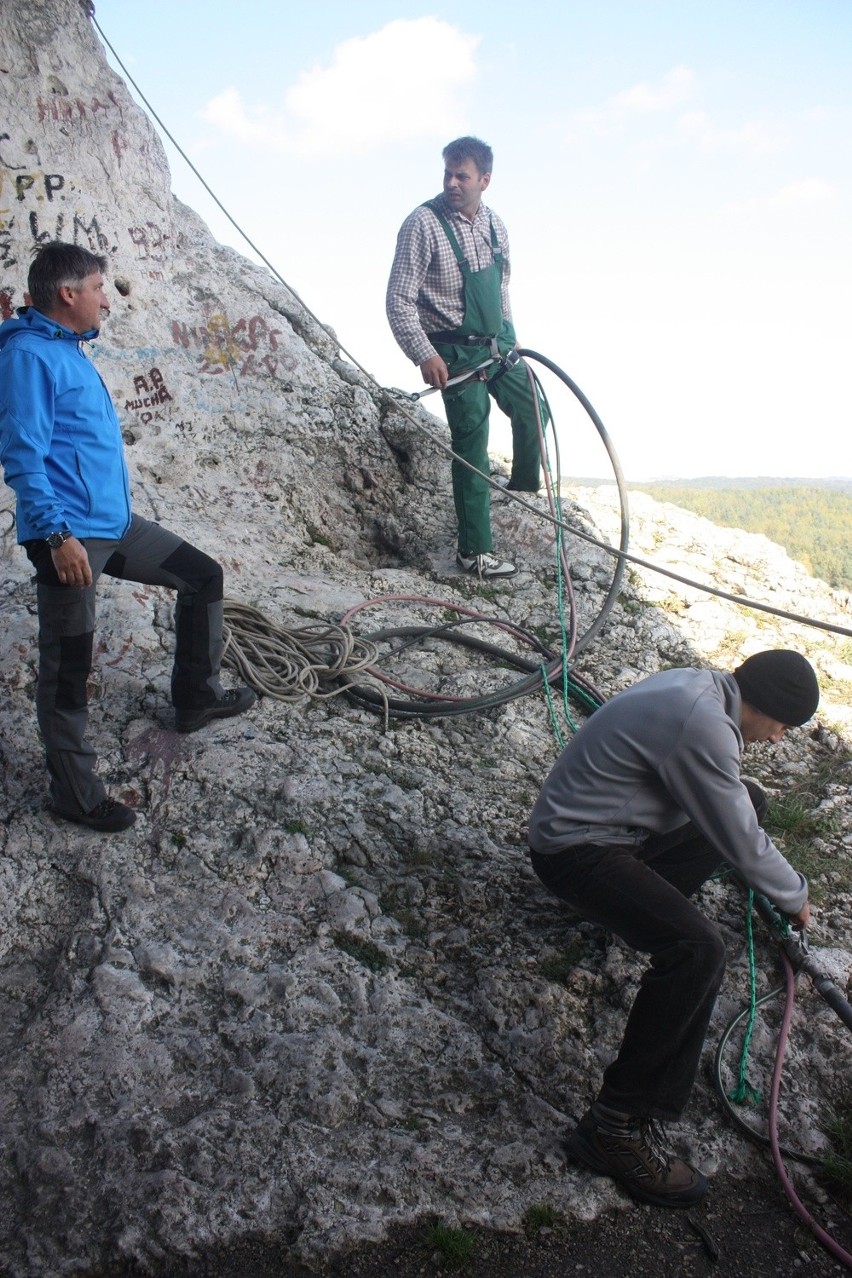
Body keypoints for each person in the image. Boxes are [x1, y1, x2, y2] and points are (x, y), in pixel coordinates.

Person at [527, 649, 820, 1207]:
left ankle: (635, 907)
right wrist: (795, 895)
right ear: (764, 707)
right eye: (781, 725)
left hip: (610, 832)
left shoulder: (704, 689)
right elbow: (737, 837)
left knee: (750, 798)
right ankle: (616, 1127)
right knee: (697, 950)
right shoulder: (704, 726)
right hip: (574, 850)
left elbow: (734, 810)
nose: (777, 739)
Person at [0, 242, 256, 833]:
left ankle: (195, 699)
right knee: (68, 665)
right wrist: (56, 535)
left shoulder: (68, 351)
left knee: (203, 575)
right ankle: (75, 793)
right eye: (98, 288)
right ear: (68, 294)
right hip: (70, 537)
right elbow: (23, 457)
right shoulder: (29, 357)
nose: (105, 302)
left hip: (114, 528)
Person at [386, 136, 542, 579]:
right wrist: (423, 354)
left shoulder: (494, 225)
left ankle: (524, 495)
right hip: (452, 351)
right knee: (472, 444)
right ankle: (474, 552)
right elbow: (399, 300)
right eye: (448, 174)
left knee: (533, 407)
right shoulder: (422, 224)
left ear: (485, 180)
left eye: (463, 175)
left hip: (497, 345)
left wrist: (510, 337)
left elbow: (502, 288)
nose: (453, 183)